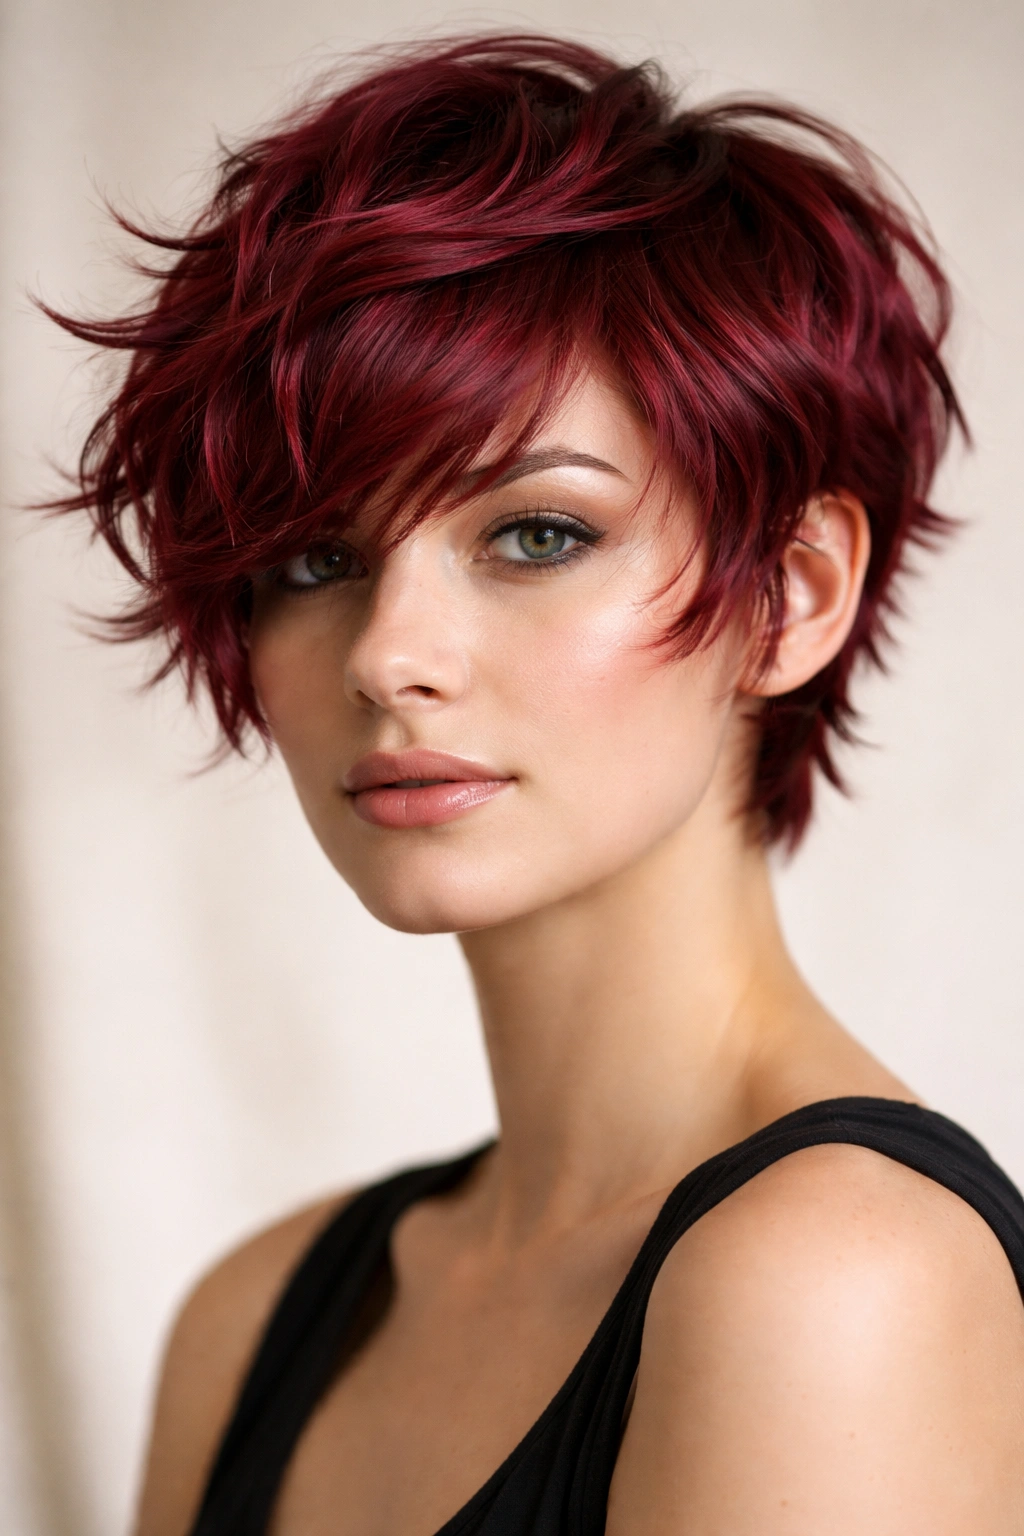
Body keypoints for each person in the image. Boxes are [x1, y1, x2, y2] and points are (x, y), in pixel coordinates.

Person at [47, 33, 1024, 1536]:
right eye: (317, 559)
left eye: (536, 533)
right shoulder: (254, 1325)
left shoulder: (836, 1284)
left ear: (795, 593)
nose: (388, 655)